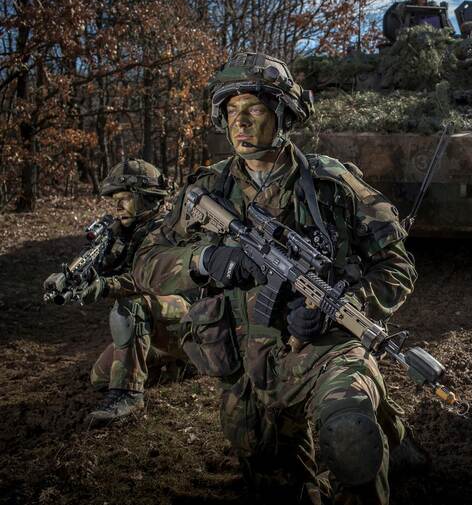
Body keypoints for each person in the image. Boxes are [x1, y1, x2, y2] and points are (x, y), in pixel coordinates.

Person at [131, 51, 421, 503]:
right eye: (232, 112)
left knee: (349, 434)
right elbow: (145, 262)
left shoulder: (333, 184)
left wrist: (349, 304)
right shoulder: (204, 191)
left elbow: (397, 266)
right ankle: (387, 434)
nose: (241, 123)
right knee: (276, 486)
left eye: (256, 109)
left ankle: (377, 434)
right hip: (244, 365)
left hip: (325, 350)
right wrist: (206, 260)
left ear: (282, 113)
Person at [43, 159, 192, 426]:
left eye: (126, 198)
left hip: (191, 320)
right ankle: (174, 363)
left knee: (132, 305)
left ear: (147, 198)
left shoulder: (171, 230)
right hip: (163, 326)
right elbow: (97, 263)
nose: (118, 206)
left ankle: (128, 396)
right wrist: (70, 278)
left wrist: (104, 286)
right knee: (99, 377)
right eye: (116, 199)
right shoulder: (123, 230)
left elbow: (149, 281)